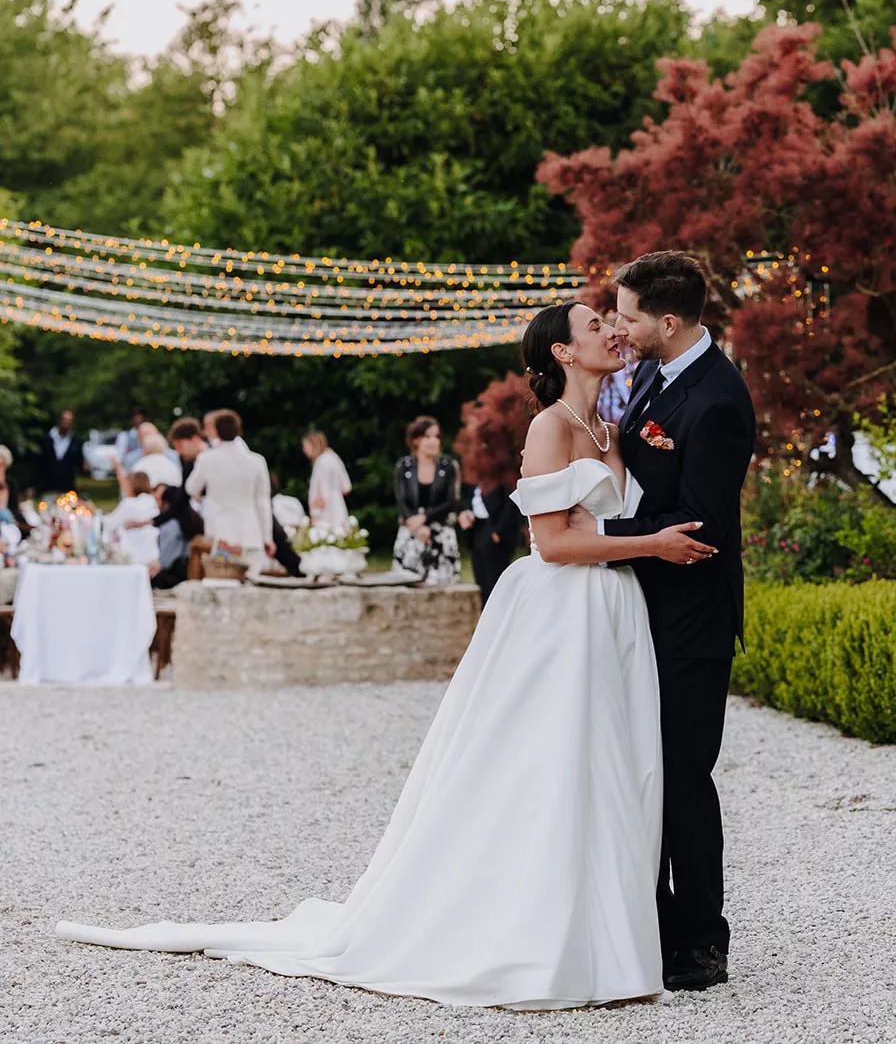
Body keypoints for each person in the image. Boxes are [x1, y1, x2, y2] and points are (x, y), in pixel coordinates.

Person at [56, 300, 715, 1010]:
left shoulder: (605, 425)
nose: (611, 332)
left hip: (612, 611)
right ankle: (539, 933)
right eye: (594, 326)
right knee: (550, 763)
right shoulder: (550, 429)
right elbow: (553, 542)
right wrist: (650, 545)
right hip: (563, 610)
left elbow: (611, 510)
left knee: (611, 766)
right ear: (561, 353)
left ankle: (608, 934)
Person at [575, 251, 755, 991]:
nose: (619, 326)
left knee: (684, 775)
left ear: (669, 321)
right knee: (640, 773)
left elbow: (700, 524)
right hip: (640, 610)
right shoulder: (652, 373)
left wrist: (600, 544)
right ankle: (647, 924)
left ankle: (702, 941)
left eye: (628, 315)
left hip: (692, 620)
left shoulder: (717, 399)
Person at [184, 410, 275, 568]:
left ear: (216, 431)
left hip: (221, 532)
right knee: (251, 582)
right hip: (251, 532)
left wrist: (206, 499)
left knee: (225, 580)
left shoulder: (207, 459)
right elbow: (263, 502)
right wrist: (267, 537)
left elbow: (191, 488)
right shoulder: (257, 461)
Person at [392, 416, 461, 584]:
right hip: (411, 533)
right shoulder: (403, 466)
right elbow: (401, 500)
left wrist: (425, 518)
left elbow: (452, 501)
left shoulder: (448, 466)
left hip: (440, 534)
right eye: (428, 436)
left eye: (436, 437)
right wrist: (415, 526)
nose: (433, 441)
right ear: (416, 440)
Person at [458, 477, 522, 605]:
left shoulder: (500, 480)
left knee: (495, 575)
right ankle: (484, 608)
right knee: (480, 574)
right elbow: (470, 503)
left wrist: (499, 531)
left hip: (494, 530)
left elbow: (510, 506)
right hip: (478, 528)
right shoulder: (476, 483)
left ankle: (499, 609)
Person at [150, 484, 204, 589]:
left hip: (175, 576)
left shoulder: (171, 525)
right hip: (193, 571)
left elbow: (165, 561)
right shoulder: (194, 521)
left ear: (166, 503)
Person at [103, 472, 161, 568]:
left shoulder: (129, 504)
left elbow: (110, 523)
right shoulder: (151, 501)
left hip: (133, 556)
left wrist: (93, 512)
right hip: (152, 553)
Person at [303, 430, 352, 528]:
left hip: (325, 511)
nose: (304, 450)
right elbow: (347, 487)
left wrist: (315, 513)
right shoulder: (334, 458)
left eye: (306, 446)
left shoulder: (320, 462)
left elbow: (318, 493)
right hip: (339, 505)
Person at [35, 409, 84, 495]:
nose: (66, 423)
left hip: (67, 486)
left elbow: (78, 463)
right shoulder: (46, 439)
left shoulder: (76, 442)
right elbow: (38, 462)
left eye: (69, 421)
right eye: (64, 420)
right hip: (47, 486)